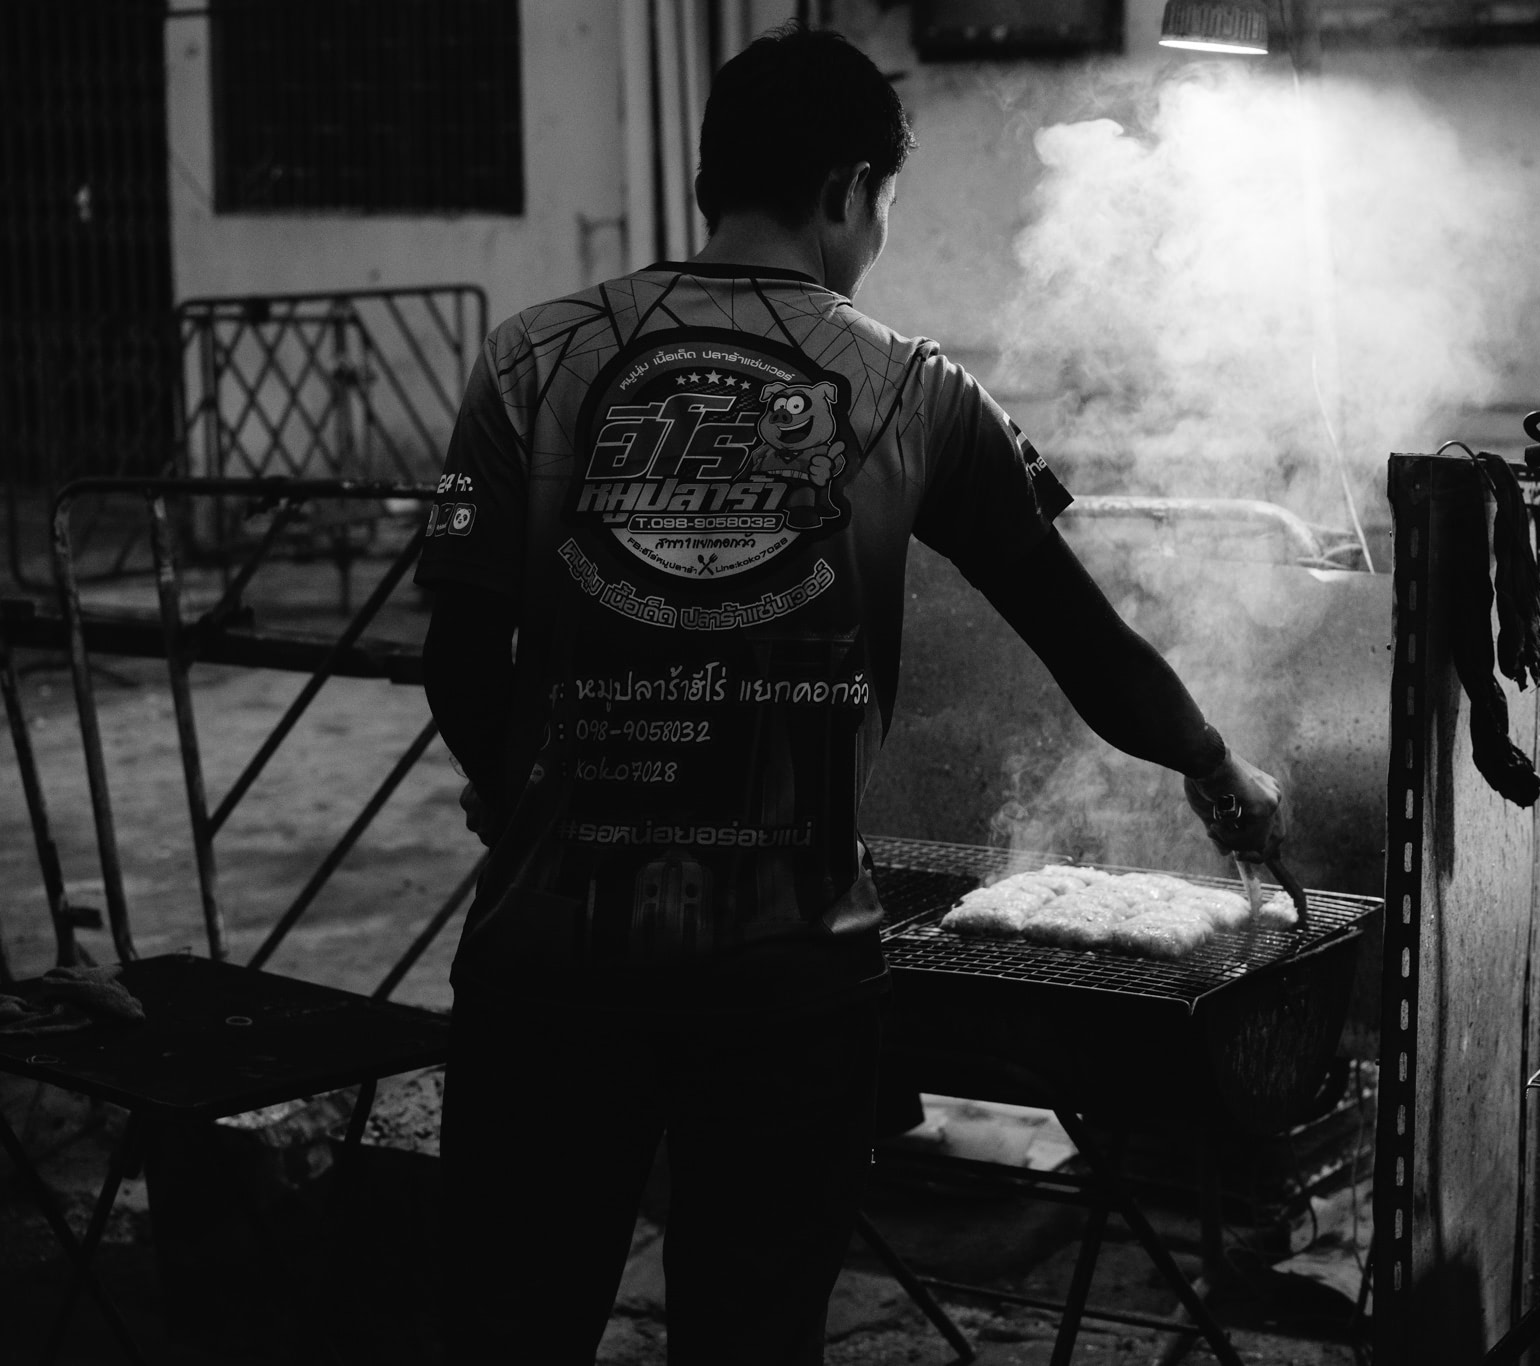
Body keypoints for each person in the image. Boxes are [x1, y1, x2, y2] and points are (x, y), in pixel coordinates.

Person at [416, 25, 1283, 1365]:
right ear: (842, 192)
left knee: (505, 1326)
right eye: (879, 204)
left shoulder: (531, 358)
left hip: (548, 968)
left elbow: (460, 658)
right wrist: (1215, 762)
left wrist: (527, 795)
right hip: (787, 987)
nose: (874, 235)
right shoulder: (917, 390)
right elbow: (1084, 640)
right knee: (752, 1338)